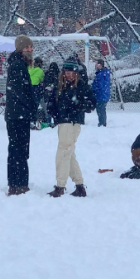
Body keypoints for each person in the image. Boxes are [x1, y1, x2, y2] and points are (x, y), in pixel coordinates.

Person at [47, 58, 97, 197]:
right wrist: (54, 112)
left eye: (72, 72)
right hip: (64, 122)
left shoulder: (81, 86)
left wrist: (77, 106)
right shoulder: (59, 86)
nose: (70, 74)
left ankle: (60, 186)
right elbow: (52, 101)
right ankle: (80, 185)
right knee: (68, 154)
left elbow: (91, 104)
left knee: (63, 153)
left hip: (73, 122)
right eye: (67, 71)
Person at [5, 35, 38, 196]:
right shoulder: (18, 66)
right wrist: (32, 106)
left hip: (17, 113)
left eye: (31, 47)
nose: (30, 50)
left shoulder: (18, 64)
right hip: (18, 114)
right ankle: (18, 184)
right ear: (20, 49)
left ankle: (17, 183)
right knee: (19, 150)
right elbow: (20, 91)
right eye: (27, 47)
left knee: (17, 149)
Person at [91, 59, 111, 127]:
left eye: (97, 63)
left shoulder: (101, 74)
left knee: (100, 110)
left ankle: (102, 123)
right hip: (103, 94)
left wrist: (93, 89)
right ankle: (102, 123)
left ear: (100, 65)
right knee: (101, 109)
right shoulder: (104, 73)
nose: (95, 65)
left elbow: (99, 85)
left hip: (101, 95)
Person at [28, 57, 45, 128]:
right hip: (35, 89)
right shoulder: (40, 71)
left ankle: (27, 121)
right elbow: (42, 80)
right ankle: (32, 121)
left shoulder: (28, 69)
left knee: (28, 106)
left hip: (27, 88)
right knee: (35, 106)